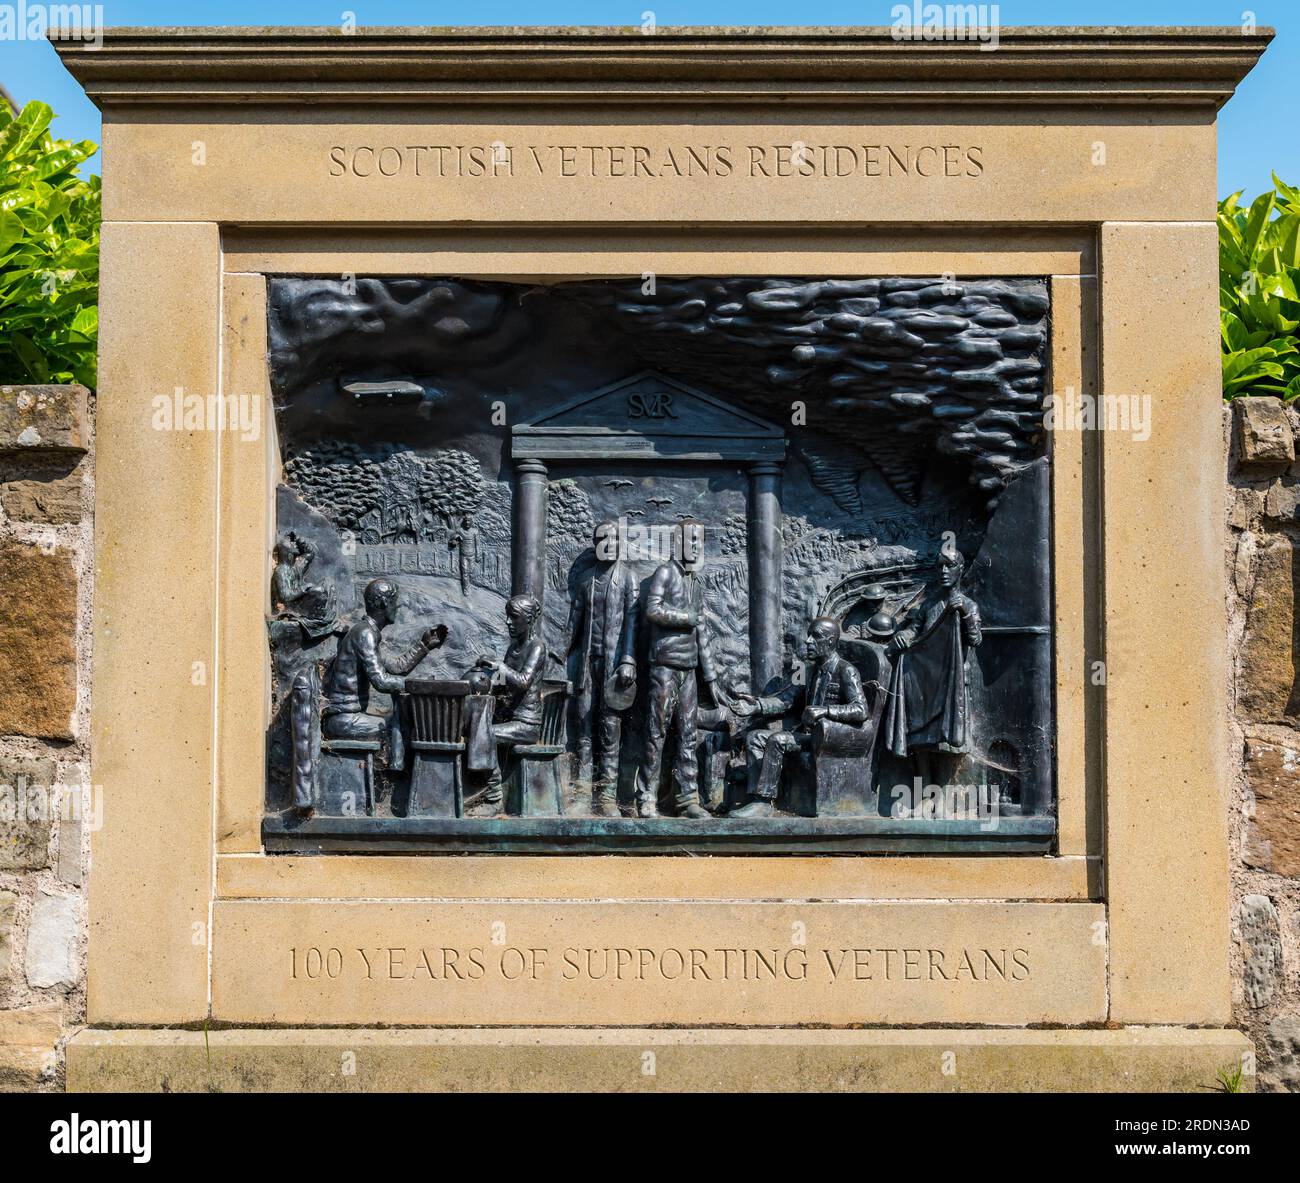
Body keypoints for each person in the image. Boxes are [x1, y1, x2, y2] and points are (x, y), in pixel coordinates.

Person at [729, 616, 867, 817]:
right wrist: (757, 706)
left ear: (830, 641)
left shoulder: (846, 671)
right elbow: (786, 699)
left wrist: (827, 711)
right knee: (755, 738)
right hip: (806, 735)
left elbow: (861, 709)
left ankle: (764, 802)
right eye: (808, 635)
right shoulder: (807, 671)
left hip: (828, 736)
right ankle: (758, 798)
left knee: (777, 740)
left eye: (815, 636)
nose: (808, 641)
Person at [635, 520, 728, 819]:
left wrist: (710, 676)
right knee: (656, 732)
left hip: (689, 669)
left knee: (688, 734)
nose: (697, 546)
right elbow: (652, 609)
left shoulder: (696, 582)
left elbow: (701, 631)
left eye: (700, 541)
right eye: (692, 541)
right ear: (678, 543)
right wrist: (684, 616)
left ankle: (688, 800)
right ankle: (646, 796)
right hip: (664, 666)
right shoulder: (665, 572)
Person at [883, 538, 983, 783]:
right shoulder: (929, 605)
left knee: (949, 737)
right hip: (925, 682)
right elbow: (914, 631)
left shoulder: (968, 605)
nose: (944, 571)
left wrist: (966, 614)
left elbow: (976, 639)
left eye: (949, 566)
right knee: (920, 735)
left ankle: (944, 792)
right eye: (940, 566)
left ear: (960, 570)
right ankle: (924, 786)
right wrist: (902, 637)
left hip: (952, 681)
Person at [322, 578, 446, 771]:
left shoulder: (368, 633)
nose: (397, 606)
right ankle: (397, 778)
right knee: (399, 726)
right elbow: (380, 681)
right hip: (344, 719)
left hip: (350, 717)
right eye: (394, 601)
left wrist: (424, 645)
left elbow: (396, 667)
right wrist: (413, 684)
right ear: (383, 604)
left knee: (400, 721)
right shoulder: (364, 634)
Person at [558, 520, 638, 816]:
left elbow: (632, 625)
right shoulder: (586, 581)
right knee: (583, 725)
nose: (609, 544)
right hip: (587, 664)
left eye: (614, 539)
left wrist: (629, 660)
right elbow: (573, 623)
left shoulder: (628, 579)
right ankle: (581, 793)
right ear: (596, 544)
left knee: (609, 728)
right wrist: (558, 654)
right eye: (603, 539)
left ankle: (606, 795)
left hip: (615, 666)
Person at [465, 594, 546, 813]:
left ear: (529, 620)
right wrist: (487, 674)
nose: (508, 622)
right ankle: (473, 787)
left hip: (526, 724)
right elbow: (504, 682)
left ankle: (494, 798)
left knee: (486, 734)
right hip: (509, 718)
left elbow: (523, 681)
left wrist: (499, 666)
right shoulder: (513, 649)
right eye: (507, 616)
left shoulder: (537, 647)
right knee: (472, 726)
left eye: (514, 617)